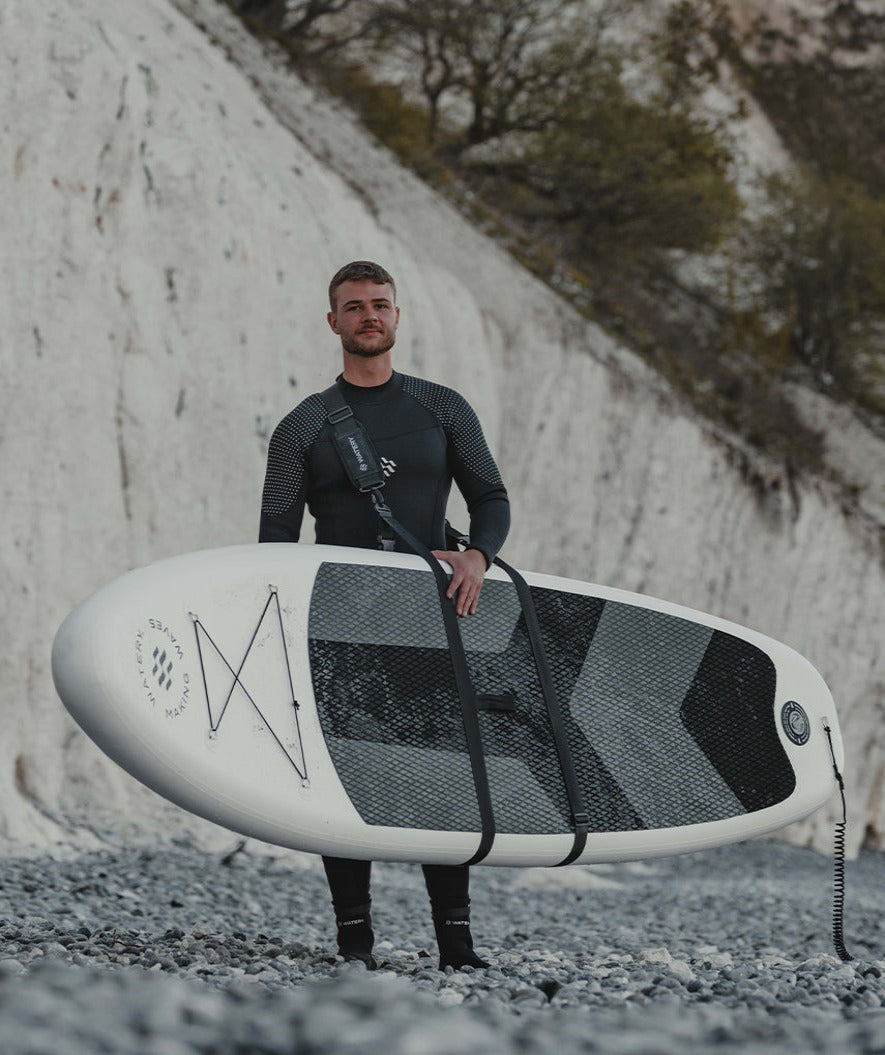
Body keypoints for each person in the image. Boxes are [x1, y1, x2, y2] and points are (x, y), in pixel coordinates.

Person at [259, 260, 510, 970]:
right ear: (332, 321)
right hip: (336, 616)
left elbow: (490, 497)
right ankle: (354, 940)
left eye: (380, 304)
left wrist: (478, 558)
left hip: (431, 615)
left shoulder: (442, 408)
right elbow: (273, 538)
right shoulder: (301, 427)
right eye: (353, 307)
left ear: (396, 317)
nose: (369, 315)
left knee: (444, 771)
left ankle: (456, 944)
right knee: (346, 772)